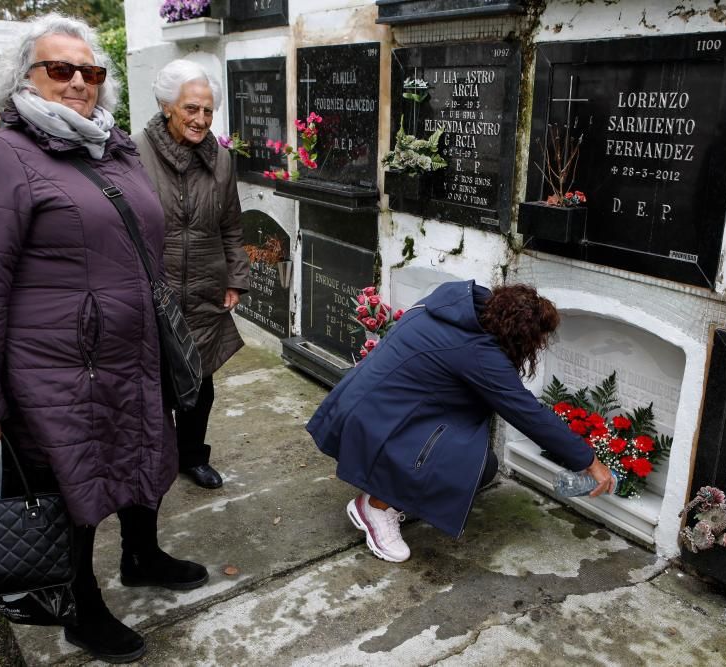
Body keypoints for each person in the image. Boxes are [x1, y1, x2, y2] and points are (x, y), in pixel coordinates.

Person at [0, 14, 207, 663]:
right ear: (24, 77)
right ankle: (78, 606)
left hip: (129, 354)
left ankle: (141, 556)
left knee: (144, 454)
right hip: (56, 368)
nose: (80, 81)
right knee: (71, 488)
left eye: (91, 71)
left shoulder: (108, 147)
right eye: (61, 69)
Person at [307, 281, 615, 563]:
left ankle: (388, 493)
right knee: (478, 467)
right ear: (520, 335)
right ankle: (376, 507)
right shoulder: (478, 352)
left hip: (362, 406)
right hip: (377, 423)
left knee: (477, 459)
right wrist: (588, 461)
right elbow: (528, 414)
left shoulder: (453, 305)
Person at [133, 59, 249, 490]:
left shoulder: (220, 161)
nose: (201, 119)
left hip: (204, 288)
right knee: (154, 388)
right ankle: (154, 464)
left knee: (200, 384)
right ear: (167, 107)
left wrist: (235, 277)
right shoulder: (132, 153)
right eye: (191, 109)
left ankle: (192, 456)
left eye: (207, 110)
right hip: (150, 287)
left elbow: (231, 225)